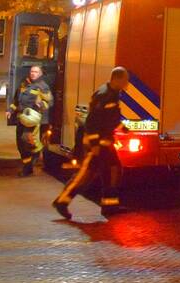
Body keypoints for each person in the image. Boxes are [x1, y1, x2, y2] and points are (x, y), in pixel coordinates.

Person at [52, 67, 129, 219]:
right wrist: (94, 144)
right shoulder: (104, 95)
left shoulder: (112, 93)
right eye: (125, 80)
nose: (127, 83)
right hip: (97, 144)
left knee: (112, 170)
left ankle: (109, 205)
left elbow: (109, 118)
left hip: (105, 142)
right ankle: (62, 201)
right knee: (86, 175)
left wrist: (122, 127)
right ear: (117, 79)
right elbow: (92, 122)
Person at [10, 65, 53, 177]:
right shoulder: (24, 84)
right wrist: (10, 110)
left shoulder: (42, 86)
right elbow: (16, 100)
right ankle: (27, 166)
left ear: (40, 74)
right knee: (20, 143)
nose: (33, 73)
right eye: (32, 71)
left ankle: (37, 152)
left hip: (32, 118)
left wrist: (40, 104)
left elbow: (49, 102)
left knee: (26, 140)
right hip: (21, 117)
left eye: (36, 72)